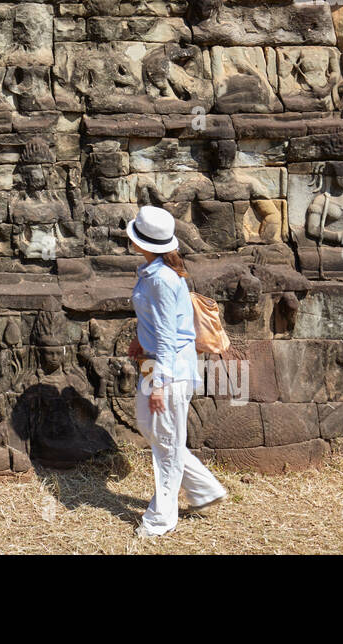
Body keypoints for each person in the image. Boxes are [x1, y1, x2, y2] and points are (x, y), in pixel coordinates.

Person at [124, 204, 227, 537]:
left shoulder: (163, 280)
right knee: (151, 429)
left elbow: (169, 335)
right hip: (154, 361)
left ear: (143, 242)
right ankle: (205, 488)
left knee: (166, 444)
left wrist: (159, 385)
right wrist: (141, 342)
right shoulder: (151, 272)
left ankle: (160, 520)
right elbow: (157, 324)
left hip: (168, 368)